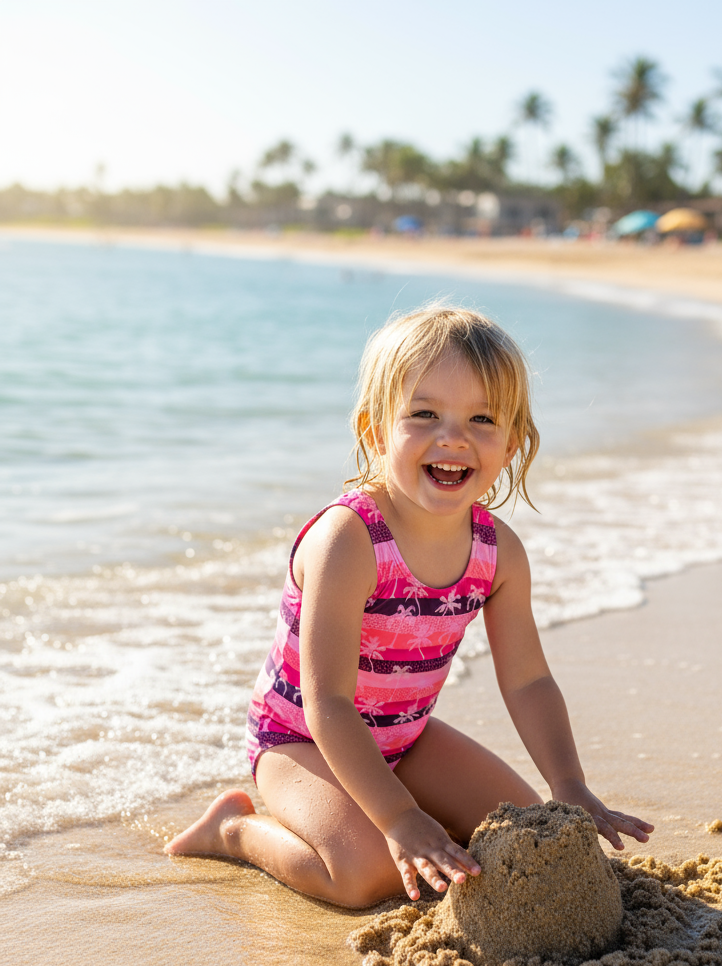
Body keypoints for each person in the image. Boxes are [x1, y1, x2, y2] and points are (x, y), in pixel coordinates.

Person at [165, 306, 653, 905]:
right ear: (375, 431)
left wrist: (569, 784)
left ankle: (404, 811)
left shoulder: (498, 553)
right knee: (362, 876)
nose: (453, 437)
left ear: (512, 443)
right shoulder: (349, 540)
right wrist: (398, 816)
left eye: (481, 418)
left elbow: (528, 680)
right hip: (300, 741)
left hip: (407, 737)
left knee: (528, 832)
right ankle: (234, 831)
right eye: (424, 414)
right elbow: (327, 704)